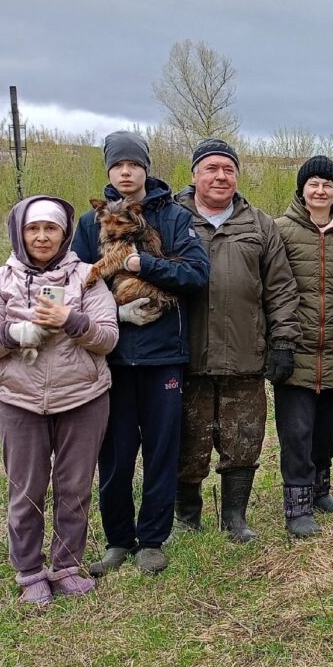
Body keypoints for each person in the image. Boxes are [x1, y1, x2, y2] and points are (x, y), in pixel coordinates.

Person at [0, 197, 119, 605]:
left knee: (74, 488)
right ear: (19, 232)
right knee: (26, 489)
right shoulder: (0, 279)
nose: (41, 236)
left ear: (64, 233)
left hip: (83, 399)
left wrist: (70, 321)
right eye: (33, 229)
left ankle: (67, 566)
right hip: (20, 402)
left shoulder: (88, 276)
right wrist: (12, 335)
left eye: (50, 229)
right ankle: (30, 570)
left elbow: (108, 337)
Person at [73, 131, 209, 577]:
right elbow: (75, 280)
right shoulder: (89, 222)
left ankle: (153, 539)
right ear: (109, 171)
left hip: (162, 354)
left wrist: (141, 265)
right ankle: (117, 540)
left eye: (133, 164)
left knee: (161, 448)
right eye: (118, 165)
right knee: (114, 452)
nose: (126, 172)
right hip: (109, 356)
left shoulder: (173, 217)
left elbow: (195, 275)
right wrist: (115, 311)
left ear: (145, 168)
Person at [173, 138, 301, 543]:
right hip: (185, 356)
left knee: (243, 438)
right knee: (186, 441)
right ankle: (186, 517)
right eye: (211, 168)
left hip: (245, 356)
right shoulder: (173, 220)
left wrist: (283, 341)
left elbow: (280, 289)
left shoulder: (259, 224)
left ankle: (235, 518)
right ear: (194, 175)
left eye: (228, 169)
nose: (220, 176)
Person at [273, 155, 333, 538]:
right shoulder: (280, 230)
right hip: (295, 347)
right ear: (302, 190)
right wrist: (279, 341)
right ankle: (297, 506)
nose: (321, 190)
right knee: (297, 432)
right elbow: (272, 289)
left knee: (326, 429)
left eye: (328, 184)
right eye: (314, 184)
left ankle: (321, 491)